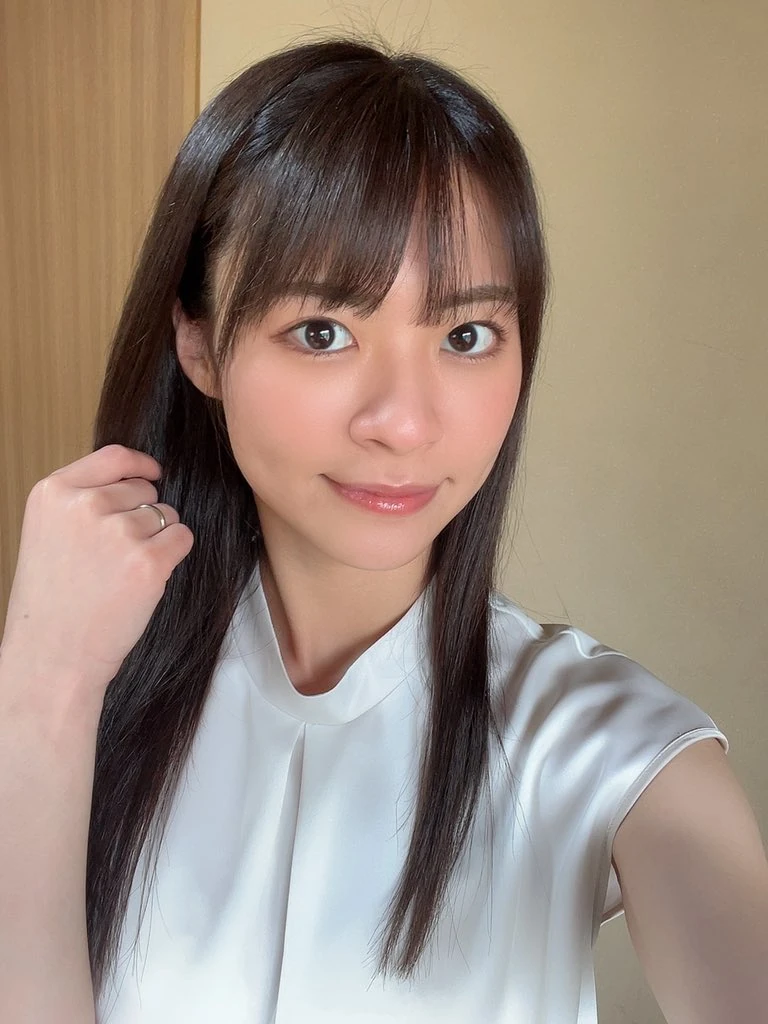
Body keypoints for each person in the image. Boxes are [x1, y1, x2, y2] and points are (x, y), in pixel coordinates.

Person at [0, 32, 739, 1024]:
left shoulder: (599, 744)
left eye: (466, 335)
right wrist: (41, 688)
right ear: (198, 344)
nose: (403, 422)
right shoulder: (86, 685)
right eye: (324, 332)